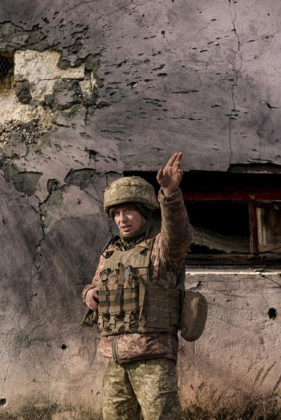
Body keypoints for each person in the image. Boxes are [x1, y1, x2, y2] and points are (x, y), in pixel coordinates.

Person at [81, 152, 193, 420]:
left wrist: (169, 193)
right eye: (116, 213)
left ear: (144, 213)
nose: (122, 219)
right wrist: (89, 293)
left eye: (129, 211)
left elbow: (179, 232)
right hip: (114, 359)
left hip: (152, 358)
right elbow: (95, 284)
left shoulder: (161, 250)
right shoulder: (110, 252)